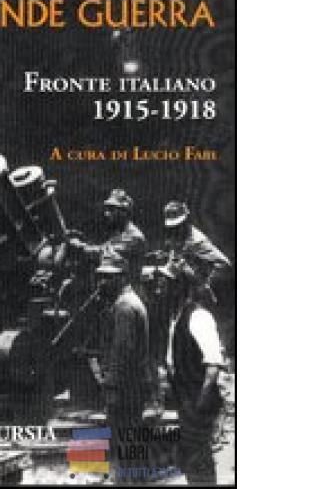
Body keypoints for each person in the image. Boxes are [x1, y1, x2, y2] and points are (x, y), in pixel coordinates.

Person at [90, 251, 150, 482]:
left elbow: (121, 353)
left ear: (122, 277)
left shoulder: (124, 307)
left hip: (125, 389)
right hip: (133, 387)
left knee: (125, 447)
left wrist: (111, 387)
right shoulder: (130, 302)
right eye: (100, 276)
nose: (102, 282)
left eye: (108, 277)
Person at [165, 261, 225, 484]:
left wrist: (199, 404)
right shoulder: (178, 316)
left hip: (197, 403)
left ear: (183, 287)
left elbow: (213, 365)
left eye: (171, 283)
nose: (164, 288)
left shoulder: (199, 317)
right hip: (186, 401)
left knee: (200, 460)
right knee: (191, 459)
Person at [163, 201, 230, 303]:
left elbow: (224, 264)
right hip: (180, 290)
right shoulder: (177, 236)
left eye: (178, 225)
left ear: (185, 221)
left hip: (196, 295)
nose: (175, 229)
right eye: (172, 227)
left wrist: (205, 284)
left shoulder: (197, 241)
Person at [100, 188, 146, 283]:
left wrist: (80, 246)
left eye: (111, 210)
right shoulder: (118, 232)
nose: (107, 214)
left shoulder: (134, 236)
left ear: (124, 212)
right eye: (107, 209)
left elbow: (106, 253)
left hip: (129, 288)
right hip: (116, 284)